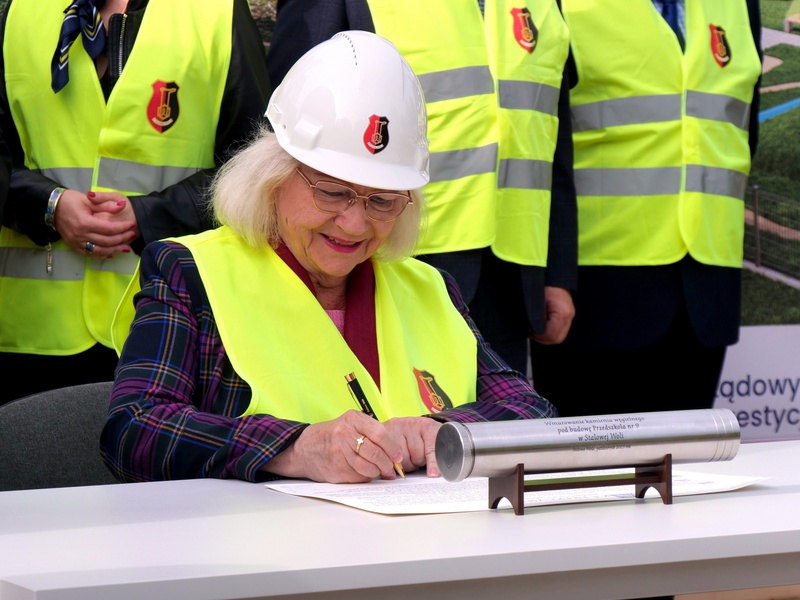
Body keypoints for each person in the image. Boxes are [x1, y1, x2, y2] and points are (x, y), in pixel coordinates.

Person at [100, 31, 556, 484]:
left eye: (382, 201)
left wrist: (444, 429)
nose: (354, 225)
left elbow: (532, 411)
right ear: (272, 177)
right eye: (332, 192)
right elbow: (134, 430)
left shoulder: (430, 288)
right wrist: (293, 448)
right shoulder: (191, 274)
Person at [266, 0, 578, 376]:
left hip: (511, 280)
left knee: (500, 410)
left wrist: (557, 273)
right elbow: (286, 133)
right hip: (380, 268)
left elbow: (551, 135)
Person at [0, 0, 272, 405]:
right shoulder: (18, 12)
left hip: (169, 329)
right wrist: (49, 204)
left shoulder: (217, 11)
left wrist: (147, 216)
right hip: (32, 334)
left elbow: (255, 168)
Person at [529, 0, 763, 416]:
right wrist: (552, 274)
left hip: (706, 291)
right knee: (587, 457)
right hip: (593, 289)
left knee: (690, 459)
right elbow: (538, 138)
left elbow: (742, 132)